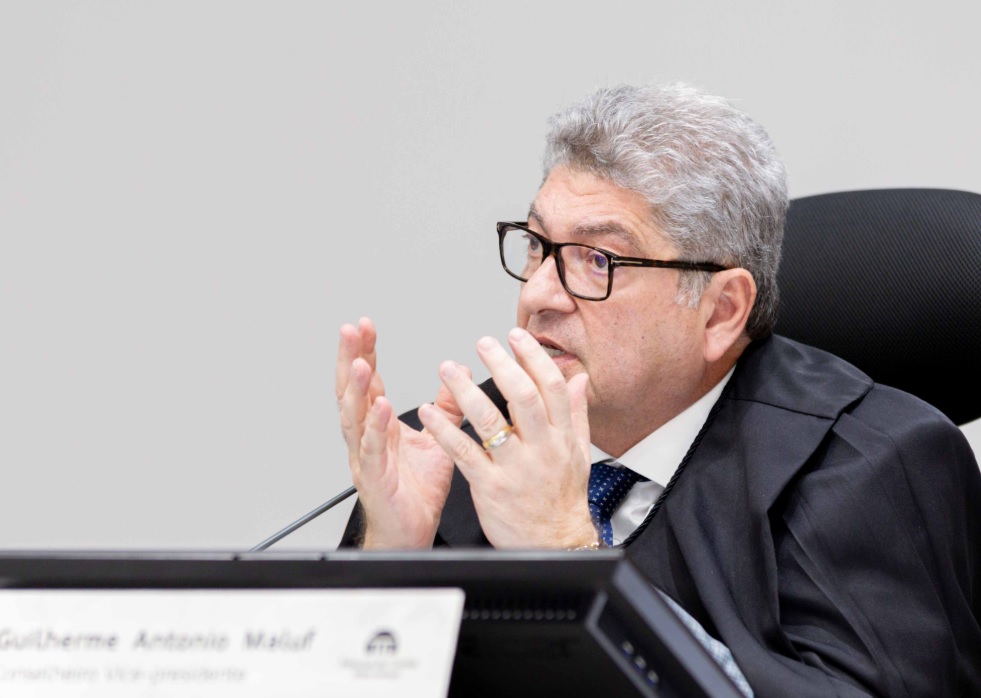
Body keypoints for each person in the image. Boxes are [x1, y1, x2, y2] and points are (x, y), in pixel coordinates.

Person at [335, 84, 981, 696]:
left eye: (598, 260)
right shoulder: (463, 452)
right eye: (536, 245)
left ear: (722, 310)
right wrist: (388, 564)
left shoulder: (873, 470)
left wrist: (569, 555)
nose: (538, 294)